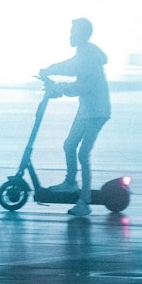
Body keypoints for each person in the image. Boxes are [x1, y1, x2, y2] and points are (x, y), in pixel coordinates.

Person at [39, 18, 111, 218]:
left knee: (82, 153)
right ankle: (71, 182)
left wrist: (57, 84)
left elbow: (78, 82)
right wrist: (51, 71)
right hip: (87, 110)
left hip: (97, 112)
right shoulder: (84, 54)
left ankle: (84, 201)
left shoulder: (88, 56)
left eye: (73, 32)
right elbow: (70, 66)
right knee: (69, 145)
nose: (70, 35)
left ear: (82, 34)